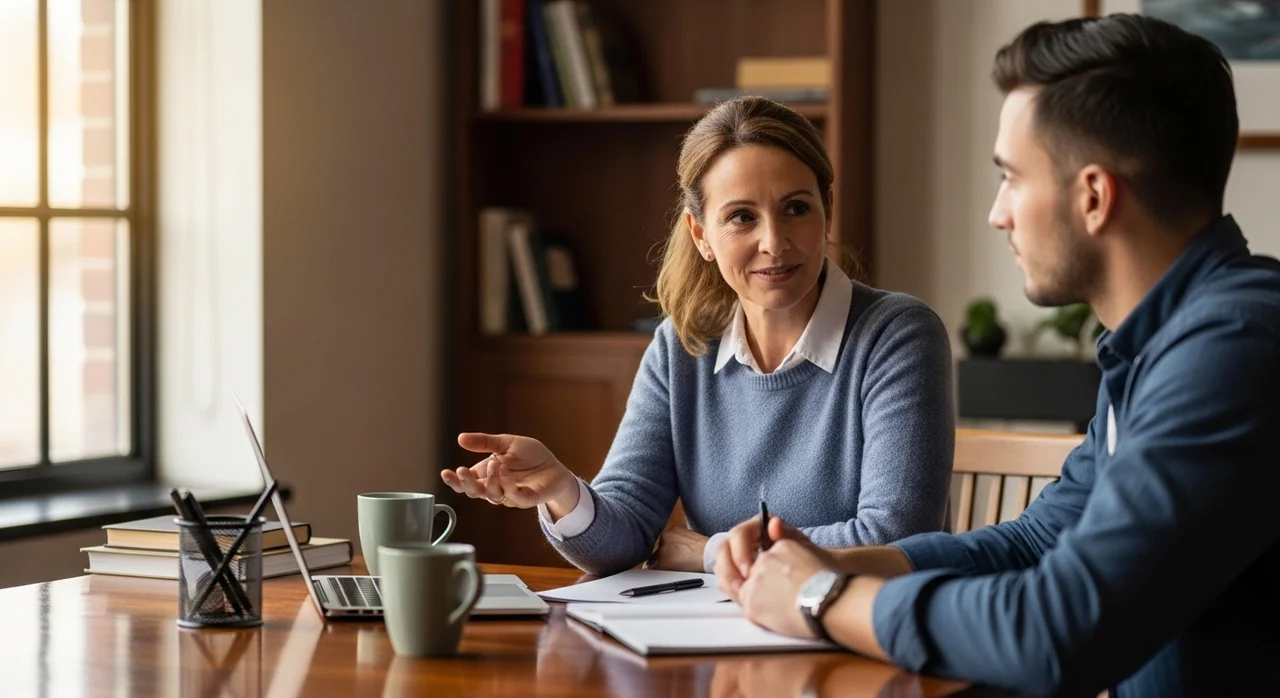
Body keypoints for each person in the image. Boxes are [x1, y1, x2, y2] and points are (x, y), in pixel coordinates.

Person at [714, 14, 1280, 698]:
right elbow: (1031, 543)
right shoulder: (1160, 341)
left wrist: (822, 599)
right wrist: (830, 560)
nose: (997, 212)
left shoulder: (1237, 346)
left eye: (1012, 177)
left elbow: (1057, 630)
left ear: (1094, 196)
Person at [440, 97, 954, 575]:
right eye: (741, 217)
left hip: (856, 641)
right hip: (715, 645)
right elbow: (627, 534)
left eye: (796, 208)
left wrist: (709, 550)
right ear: (701, 235)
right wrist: (562, 491)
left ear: (828, 210)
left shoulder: (898, 334)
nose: (774, 242)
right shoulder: (680, 346)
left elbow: (895, 537)